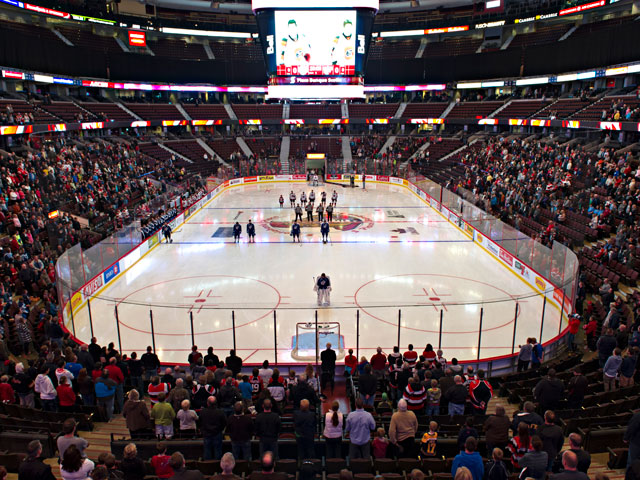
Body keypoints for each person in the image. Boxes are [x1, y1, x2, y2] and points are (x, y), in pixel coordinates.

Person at [201, 396, 227, 460]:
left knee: (207, 451)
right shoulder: (220, 412)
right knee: (217, 451)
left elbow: (200, 423)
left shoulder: (203, 412)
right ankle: (217, 466)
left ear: (208, 403)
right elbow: (224, 423)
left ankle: (208, 466)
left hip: (207, 434)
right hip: (217, 434)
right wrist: (219, 429)